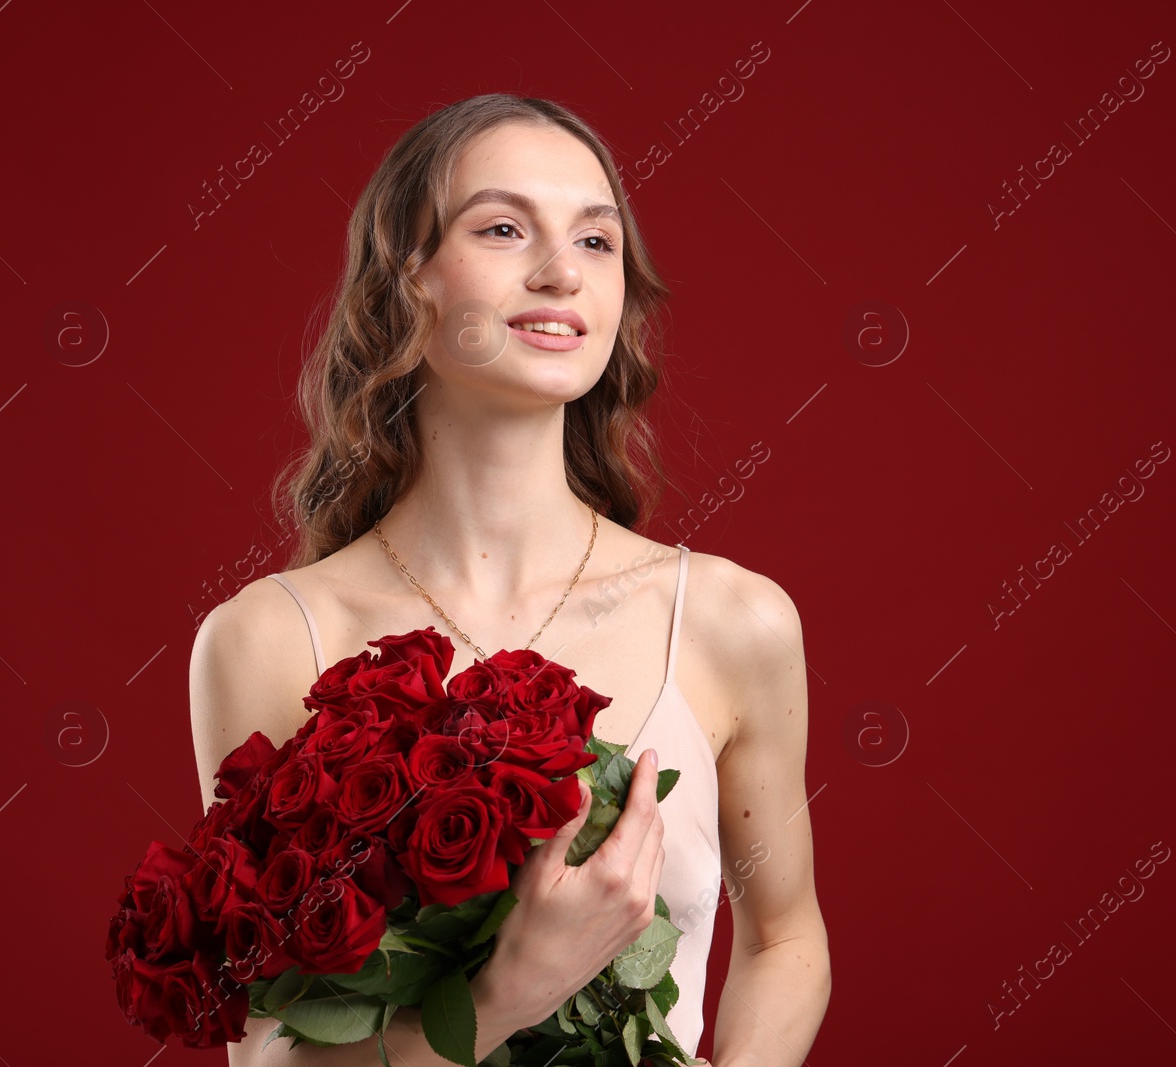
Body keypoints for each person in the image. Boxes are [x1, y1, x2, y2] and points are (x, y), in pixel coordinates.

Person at [189, 93, 830, 1066]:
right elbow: (268, 1049)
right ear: (407, 281)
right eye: (502, 227)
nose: (560, 271)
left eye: (596, 241)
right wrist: (510, 991)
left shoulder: (730, 620)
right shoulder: (270, 640)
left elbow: (787, 939)